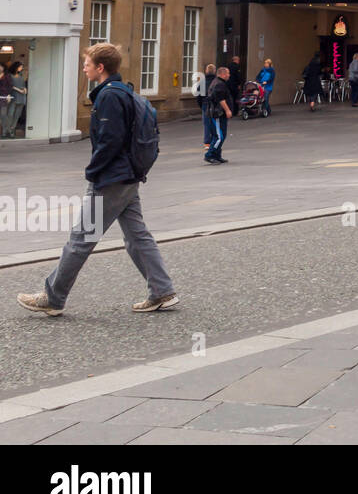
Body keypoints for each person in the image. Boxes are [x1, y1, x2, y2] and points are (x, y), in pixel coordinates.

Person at [17, 43, 177, 316]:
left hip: (112, 179)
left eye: (87, 64)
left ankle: (53, 298)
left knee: (81, 239)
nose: (84, 68)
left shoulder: (109, 97)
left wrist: (93, 172)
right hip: (127, 177)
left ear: (100, 68)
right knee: (137, 236)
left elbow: (110, 141)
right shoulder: (122, 90)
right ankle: (161, 290)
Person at [205, 66, 235, 163]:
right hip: (217, 113)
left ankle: (217, 155)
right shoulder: (219, 84)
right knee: (219, 136)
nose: (229, 75)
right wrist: (227, 110)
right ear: (222, 74)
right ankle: (209, 155)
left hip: (219, 114)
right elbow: (220, 99)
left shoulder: (219, 83)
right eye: (228, 73)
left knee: (222, 134)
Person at [1, 61, 25, 139]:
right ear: (16, 67)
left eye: (22, 67)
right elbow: (11, 86)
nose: (21, 68)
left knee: (16, 115)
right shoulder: (9, 76)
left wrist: (25, 89)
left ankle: (11, 130)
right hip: (12, 96)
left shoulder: (19, 76)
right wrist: (18, 90)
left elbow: (20, 85)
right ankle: (6, 130)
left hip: (18, 96)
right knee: (9, 115)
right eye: (20, 67)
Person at [199, 63, 217, 148]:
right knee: (214, 122)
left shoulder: (202, 82)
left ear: (206, 71)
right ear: (214, 71)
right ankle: (215, 140)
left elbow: (198, 95)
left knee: (206, 123)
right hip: (215, 104)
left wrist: (201, 104)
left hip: (205, 103)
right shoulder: (217, 81)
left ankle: (207, 142)